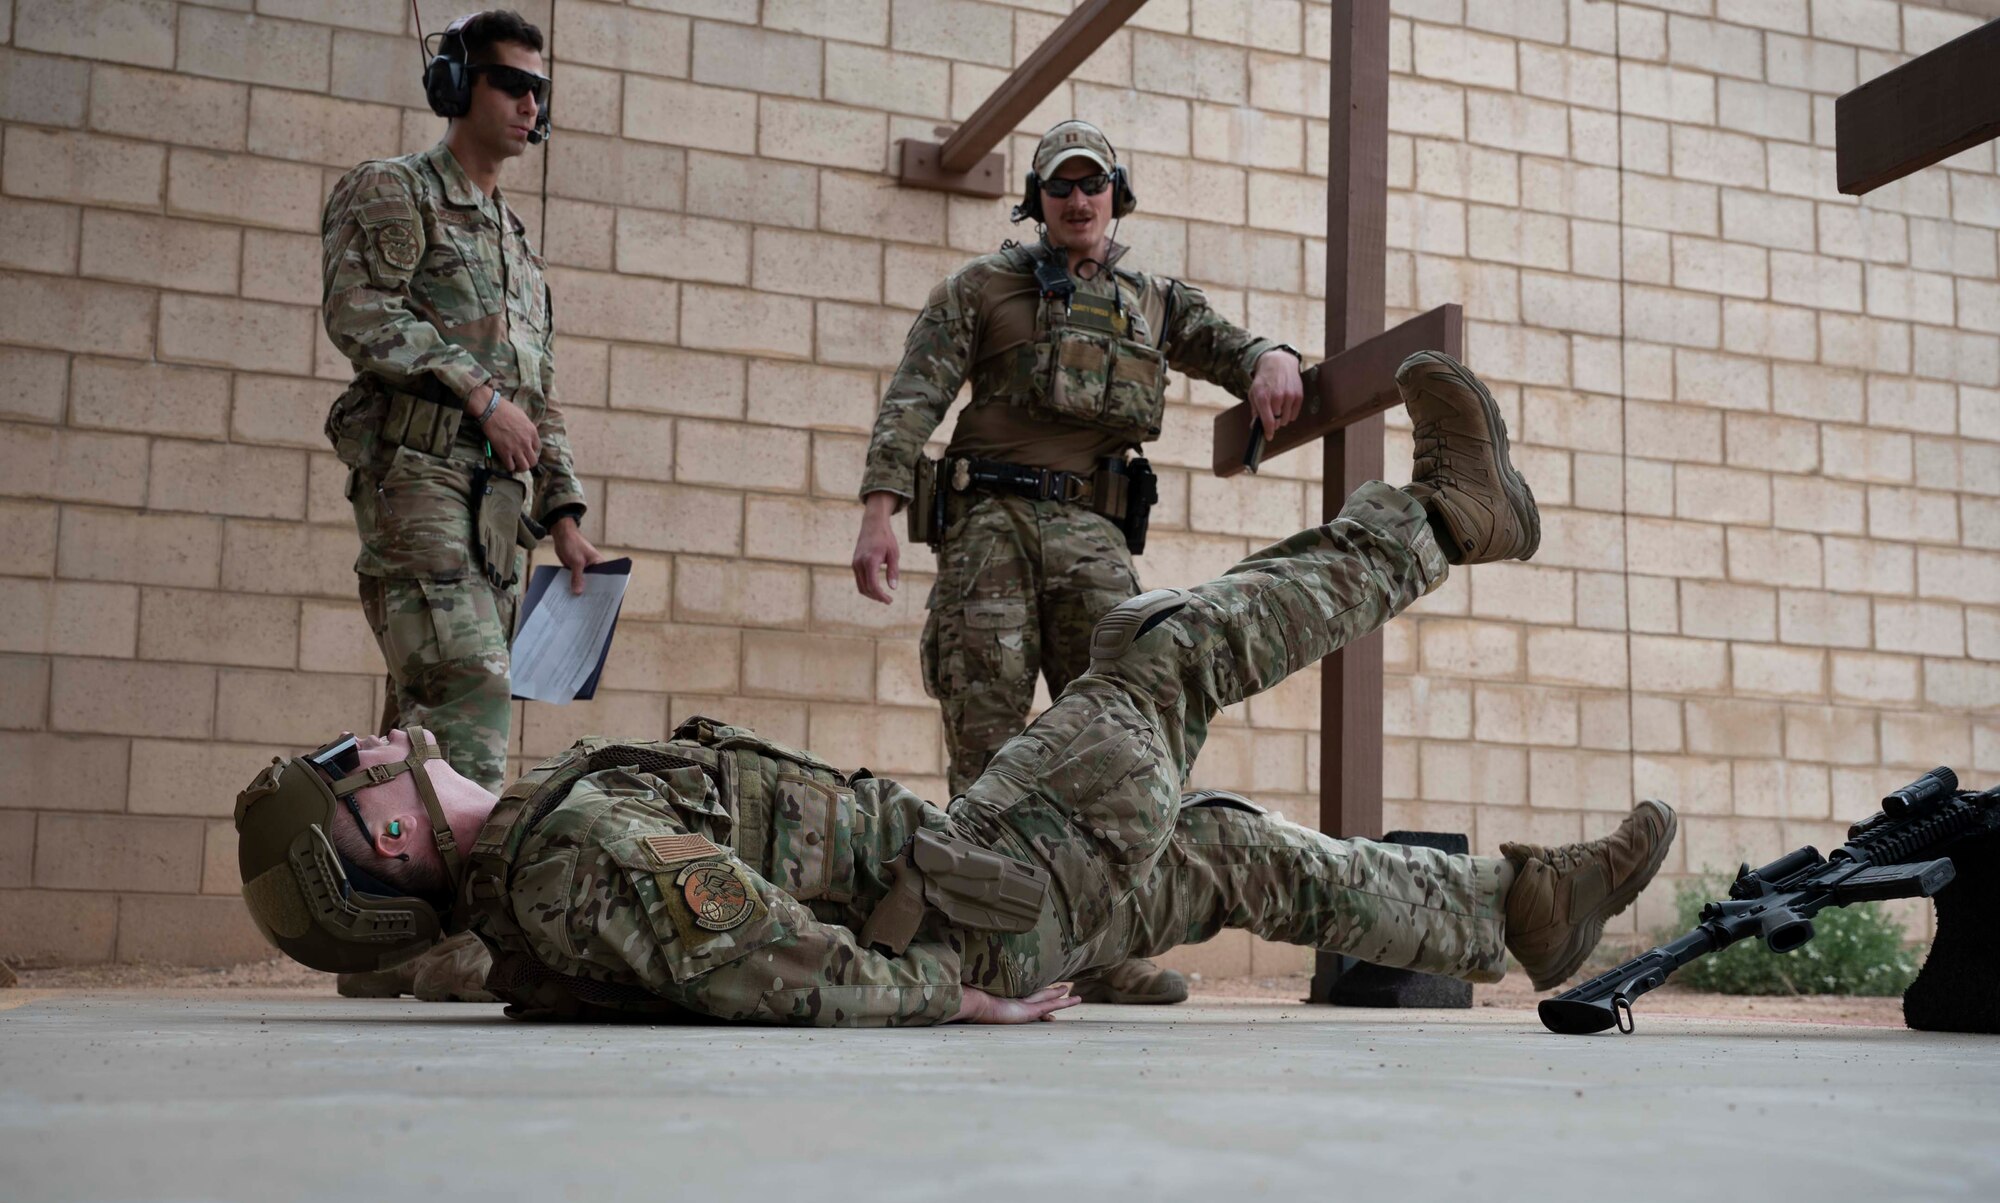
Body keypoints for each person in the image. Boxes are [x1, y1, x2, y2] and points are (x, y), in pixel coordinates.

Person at [238, 352, 1677, 1025]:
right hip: (987, 888)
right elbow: (762, 961)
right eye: (361, 767)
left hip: (988, 881)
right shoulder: (569, 848)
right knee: (1161, 655)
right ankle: (1446, 519)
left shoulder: (536, 869)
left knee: (1228, 850)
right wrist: (949, 994)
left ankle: (1521, 912)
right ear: (385, 840)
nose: (385, 740)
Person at [851, 120, 1310, 1005]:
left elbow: (1230, 347)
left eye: (1090, 183)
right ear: (1036, 202)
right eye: (1058, 186)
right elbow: (914, 399)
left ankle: (1102, 948)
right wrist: (880, 513)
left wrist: (1271, 357)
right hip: (988, 527)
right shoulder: (981, 288)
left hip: (1094, 536)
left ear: (1115, 194)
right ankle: (985, 951)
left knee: (1118, 740)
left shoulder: (1156, 299)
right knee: (985, 740)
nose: (1075, 199)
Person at [319, 9, 603, 999]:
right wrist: (476, 393)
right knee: (471, 691)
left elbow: (541, 396)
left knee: (424, 717)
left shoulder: (518, 251)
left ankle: (384, 938)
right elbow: (358, 313)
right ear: (456, 88)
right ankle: (457, 936)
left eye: (540, 91)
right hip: (419, 476)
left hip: (496, 509)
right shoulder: (394, 191)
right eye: (508, 83)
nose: (530, 103)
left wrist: (562, 510)